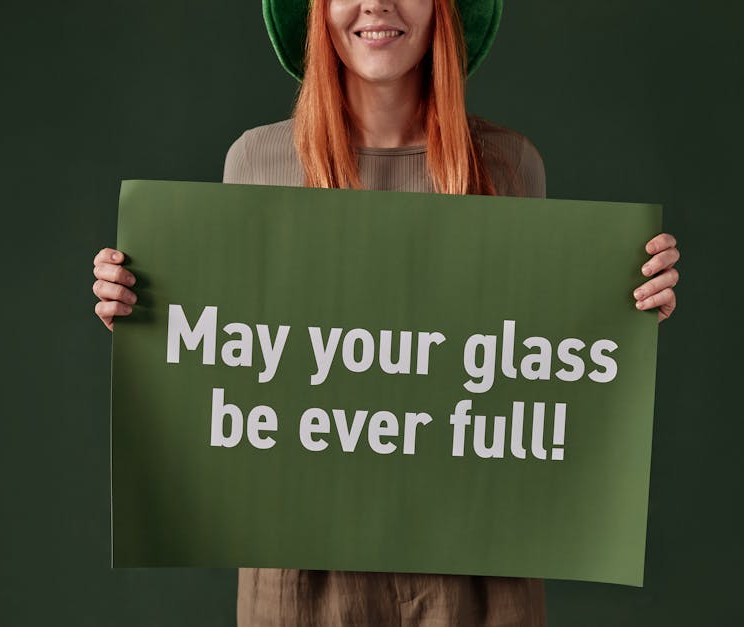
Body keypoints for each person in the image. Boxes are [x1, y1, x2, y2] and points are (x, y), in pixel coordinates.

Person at [92, 0, 680, 624]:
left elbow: (541, 364)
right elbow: (229, 366)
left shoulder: (509, 167)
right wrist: (144, 313)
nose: (376, 4)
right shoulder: (257, 163)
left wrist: (625, 308)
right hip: (302, 567)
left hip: (476, 564)